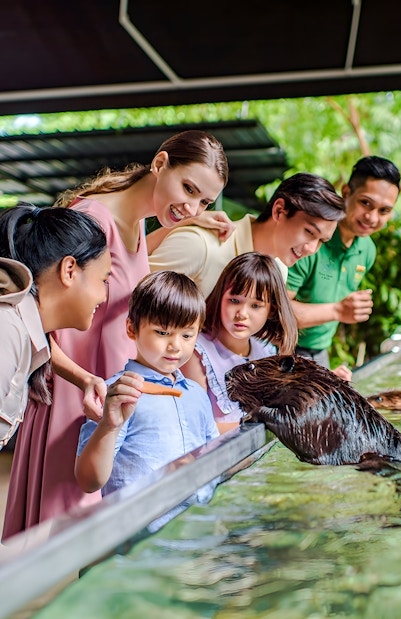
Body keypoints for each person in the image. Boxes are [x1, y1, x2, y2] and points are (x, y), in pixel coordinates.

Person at [2, 129, 229, 540]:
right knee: (63, 538)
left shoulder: (138, 224)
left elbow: (127, 268)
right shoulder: (91, 217)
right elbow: (35, 316)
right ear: (160, 164)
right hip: (76, 399)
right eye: (189, 189)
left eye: (204, 201)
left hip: (113, 396)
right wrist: (83, 379)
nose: (192, 205)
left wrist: (192, 221)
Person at [75, 270, 219, 531]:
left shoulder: (197, 394)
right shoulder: (116, 394)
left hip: (196, 531)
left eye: (187, 335)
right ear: (132, 328)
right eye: (162, 333)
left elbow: (213, 461)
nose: (176, 345)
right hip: (139, 537)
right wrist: (109, 423)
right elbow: (88, 480)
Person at [0, 203, 110, 448]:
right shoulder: (8, 330)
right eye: (104, 280)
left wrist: (86, 380)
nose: (104, 296)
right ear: (69, 270)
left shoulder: (23, 332)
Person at [286, 156, 401, 378]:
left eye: (384, 211)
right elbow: (275, 312)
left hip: (319, 352)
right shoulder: (312, 239)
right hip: (279, 349)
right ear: (346, 192)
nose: (372, 217)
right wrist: (339, 310)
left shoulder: (367, 250)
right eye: (365, 203)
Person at [148, 172, 346, 297]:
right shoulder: (199, 245)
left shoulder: (278, 272)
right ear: (279, 211)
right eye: (309, 232)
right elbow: (129, 304)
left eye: (321, 241)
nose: (312, 248)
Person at [182, 252, 298, 434]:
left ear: (272, 310)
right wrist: (265, 425)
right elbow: (195, 430)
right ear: (220, 297)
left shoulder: (266, 351)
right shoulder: (198, 353)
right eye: (234, 300)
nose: (242, 313)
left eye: (255, 305)